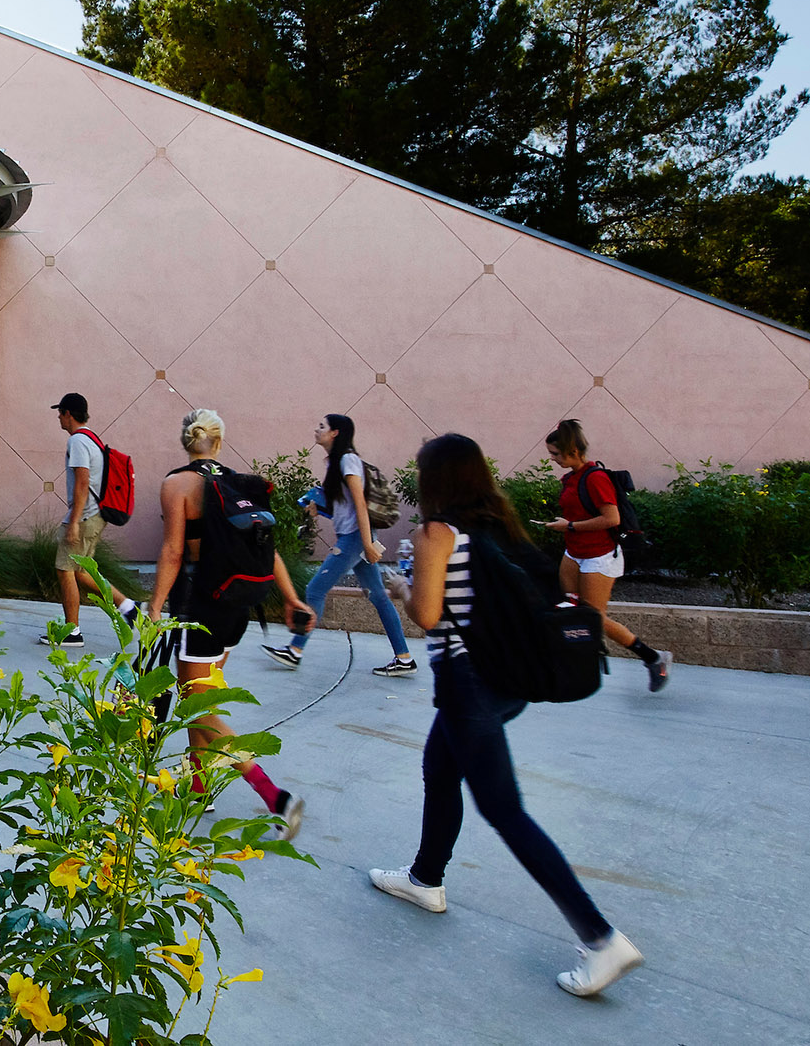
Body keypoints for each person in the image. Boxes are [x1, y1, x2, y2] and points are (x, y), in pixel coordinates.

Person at [370, 432, 644, 998]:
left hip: (467, 682)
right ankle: (426, 877)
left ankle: (599, 938)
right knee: (439, 769)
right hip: (505, 680)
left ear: (434, 479)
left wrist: (399, 585)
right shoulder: (498, 524)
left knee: (504, 810)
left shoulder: (435, 532)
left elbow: (426, 613)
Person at [145, 408, 314, 839]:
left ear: (187, 441)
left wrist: (154, 607)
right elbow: (267, 551)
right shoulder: (242, 485)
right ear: (218, 442)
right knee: (202, 701)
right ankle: (199, 787)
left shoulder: (177, 484)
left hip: (197, 605)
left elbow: (172, 551)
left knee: (195, 707)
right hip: (236, 608)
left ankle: (274, 795)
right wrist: (293, 598)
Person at [262, 414, 416, 677]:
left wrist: (367, 543)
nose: (316, 429)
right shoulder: (336, 463)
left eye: (322, 426)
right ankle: (404, 658)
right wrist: (318, 509)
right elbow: (344, 510)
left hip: (356, 538)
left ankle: (295, 650)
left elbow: (360, 505)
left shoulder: (348, 460)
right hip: (355, 536)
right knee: (378, 596)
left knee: (315, 589)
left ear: (335, 433)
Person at [543, 419, 670, 692]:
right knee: (568, 608)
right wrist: (565, 523)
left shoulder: (596, 478)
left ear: (573, 451)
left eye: (555, 453)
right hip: (574, 552)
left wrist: (571, 526)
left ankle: (653, 657)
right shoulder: (571, 478)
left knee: (593, 616)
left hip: (598, 556)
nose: (552, 459)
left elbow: (611, 518)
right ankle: (576, 662)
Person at [47, 393, 135, 647]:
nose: (58, 417)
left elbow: (82, 482)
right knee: (81, 571)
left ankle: (72, 632)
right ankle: (127, 607)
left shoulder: (77, 442)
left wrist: (73, 522)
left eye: (60, 413)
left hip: (84, 516)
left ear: (69, 414)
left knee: (65, 571)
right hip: (95, 515)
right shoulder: (92, 438)